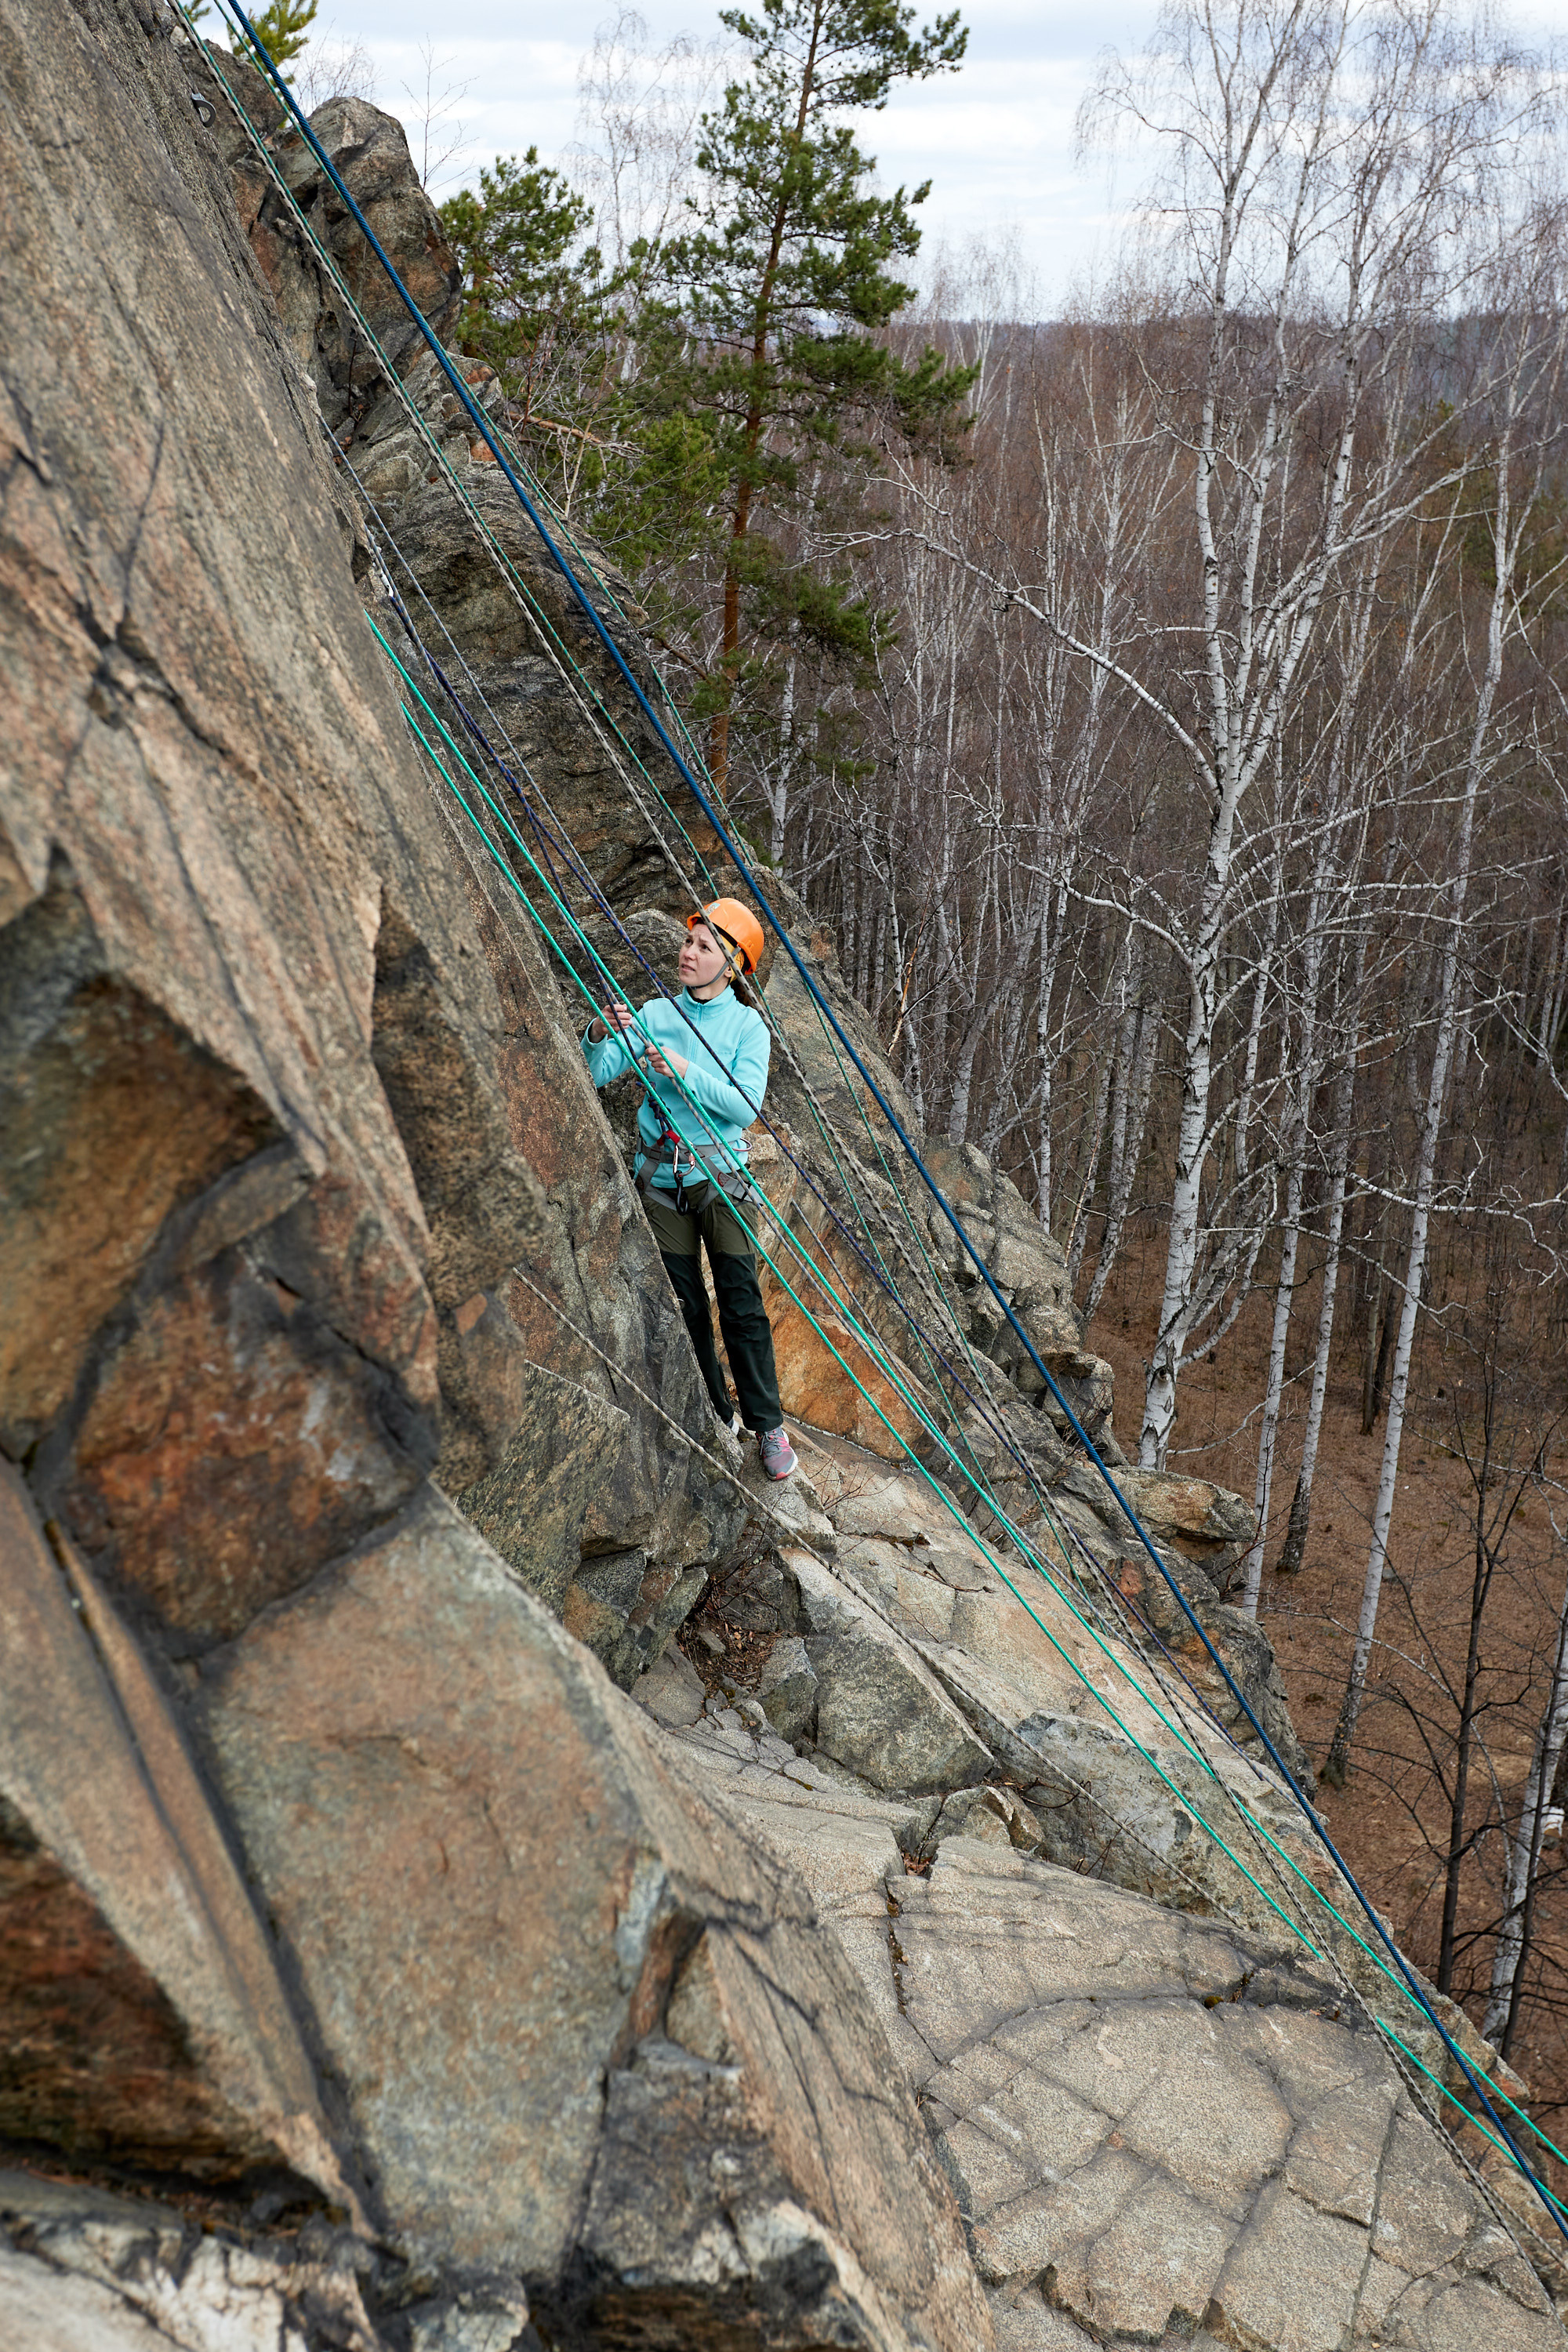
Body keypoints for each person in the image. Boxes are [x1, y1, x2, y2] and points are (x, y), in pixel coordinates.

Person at [581, 898, 799, 1480]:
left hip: (720, 1178)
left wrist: (682, 1070)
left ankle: (767, 1424)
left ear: (731, 967)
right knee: (684, 1308)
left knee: (741, 1302)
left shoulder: (748, 1027)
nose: (689, 952)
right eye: (690, 942)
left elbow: (745, 1106)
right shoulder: (655, 1014)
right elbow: (599, 1073)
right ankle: (716, 1411)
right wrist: (601, 1031)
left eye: (704, 946)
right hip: (661, 1180)